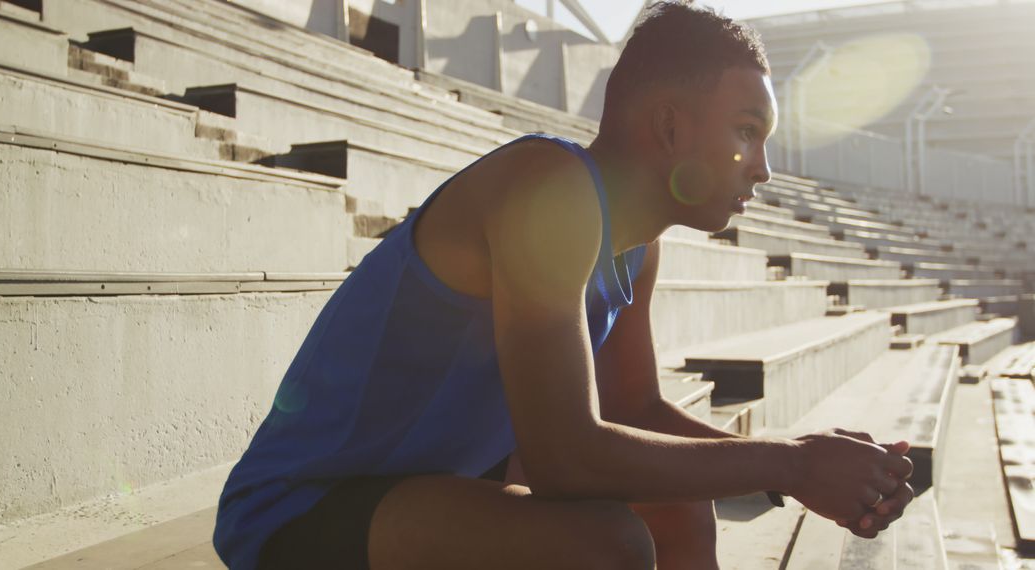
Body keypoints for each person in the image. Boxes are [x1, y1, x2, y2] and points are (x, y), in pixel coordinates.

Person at [213, 2, 915, 568]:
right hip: (301, 510)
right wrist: (791, 466)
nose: (761, 168)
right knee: (606, 547)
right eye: (746, 130)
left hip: (434, 490)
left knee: (679, 505)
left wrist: (810, 460)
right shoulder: (547, 188)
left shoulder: (636, 249)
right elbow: (563, 461)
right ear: (669, 125)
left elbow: (633, 409)